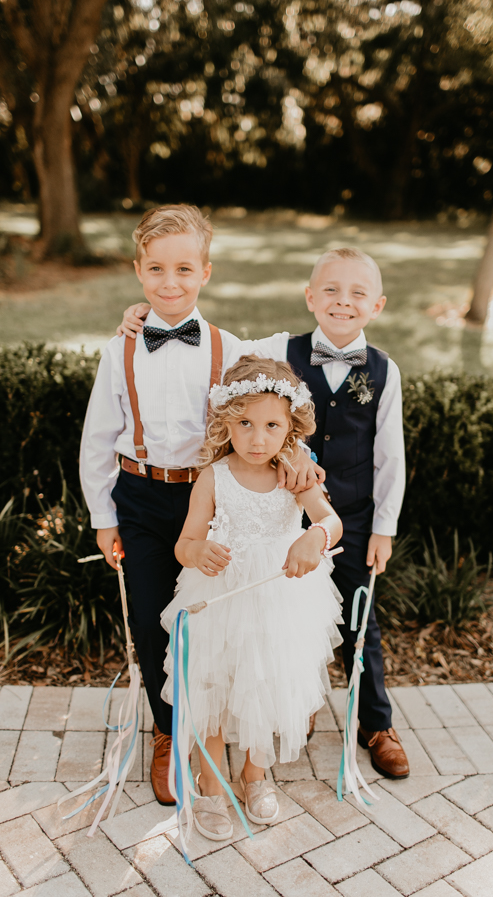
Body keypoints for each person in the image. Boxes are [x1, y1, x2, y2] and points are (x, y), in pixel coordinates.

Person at [119, 244, 410, 779]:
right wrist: (150, 315)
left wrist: (384, 529)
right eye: (330, 290)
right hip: (275, 503)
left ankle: (375, 722)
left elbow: (392, 455)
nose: (342, 302)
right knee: (261, 638)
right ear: (309, 297)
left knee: (360, 622)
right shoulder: (278, 348)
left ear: (378, 305)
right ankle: (241, 738)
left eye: (357, 293)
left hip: (347, 515)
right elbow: (221, 352)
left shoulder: (385, 371)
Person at [79, 204, 323, 807]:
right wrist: (103, 516)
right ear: (139, 271)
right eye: (156, 269)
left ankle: (227, 728)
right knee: (149, 618)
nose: (170, 282)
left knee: (210, 619)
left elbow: (271, 399)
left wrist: (298, 459)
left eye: (184, 269)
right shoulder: (121, 351)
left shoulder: (230, 347)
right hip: (139, 496)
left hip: (208, 500)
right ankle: (169, 732)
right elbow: (96, 438)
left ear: (205, 273)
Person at [161, 355, 343, 841]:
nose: (258, 438)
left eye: (270, 425)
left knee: (267, 682)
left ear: (290, 427)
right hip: (220, 596)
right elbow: (183, 545)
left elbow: (330, 522)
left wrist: (314, 539)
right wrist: (198, 550)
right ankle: (212, 783)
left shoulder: (293, 474)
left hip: (279, 597)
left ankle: (255, 773)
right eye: (244, 424)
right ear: (226, 423)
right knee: (212, 688)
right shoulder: (213, 477)